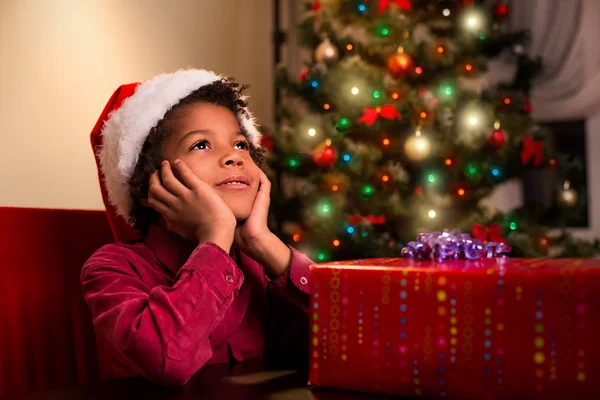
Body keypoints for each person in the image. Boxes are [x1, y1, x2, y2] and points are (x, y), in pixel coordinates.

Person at [82, 69, 312, 386]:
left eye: (241, 144)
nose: (234, 156)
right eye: (202, 145)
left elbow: (350, 338)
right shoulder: (112, 268)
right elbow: (165, 360)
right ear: (149, 185)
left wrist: (264, 243)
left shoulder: (258, 267)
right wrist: (216, 235)